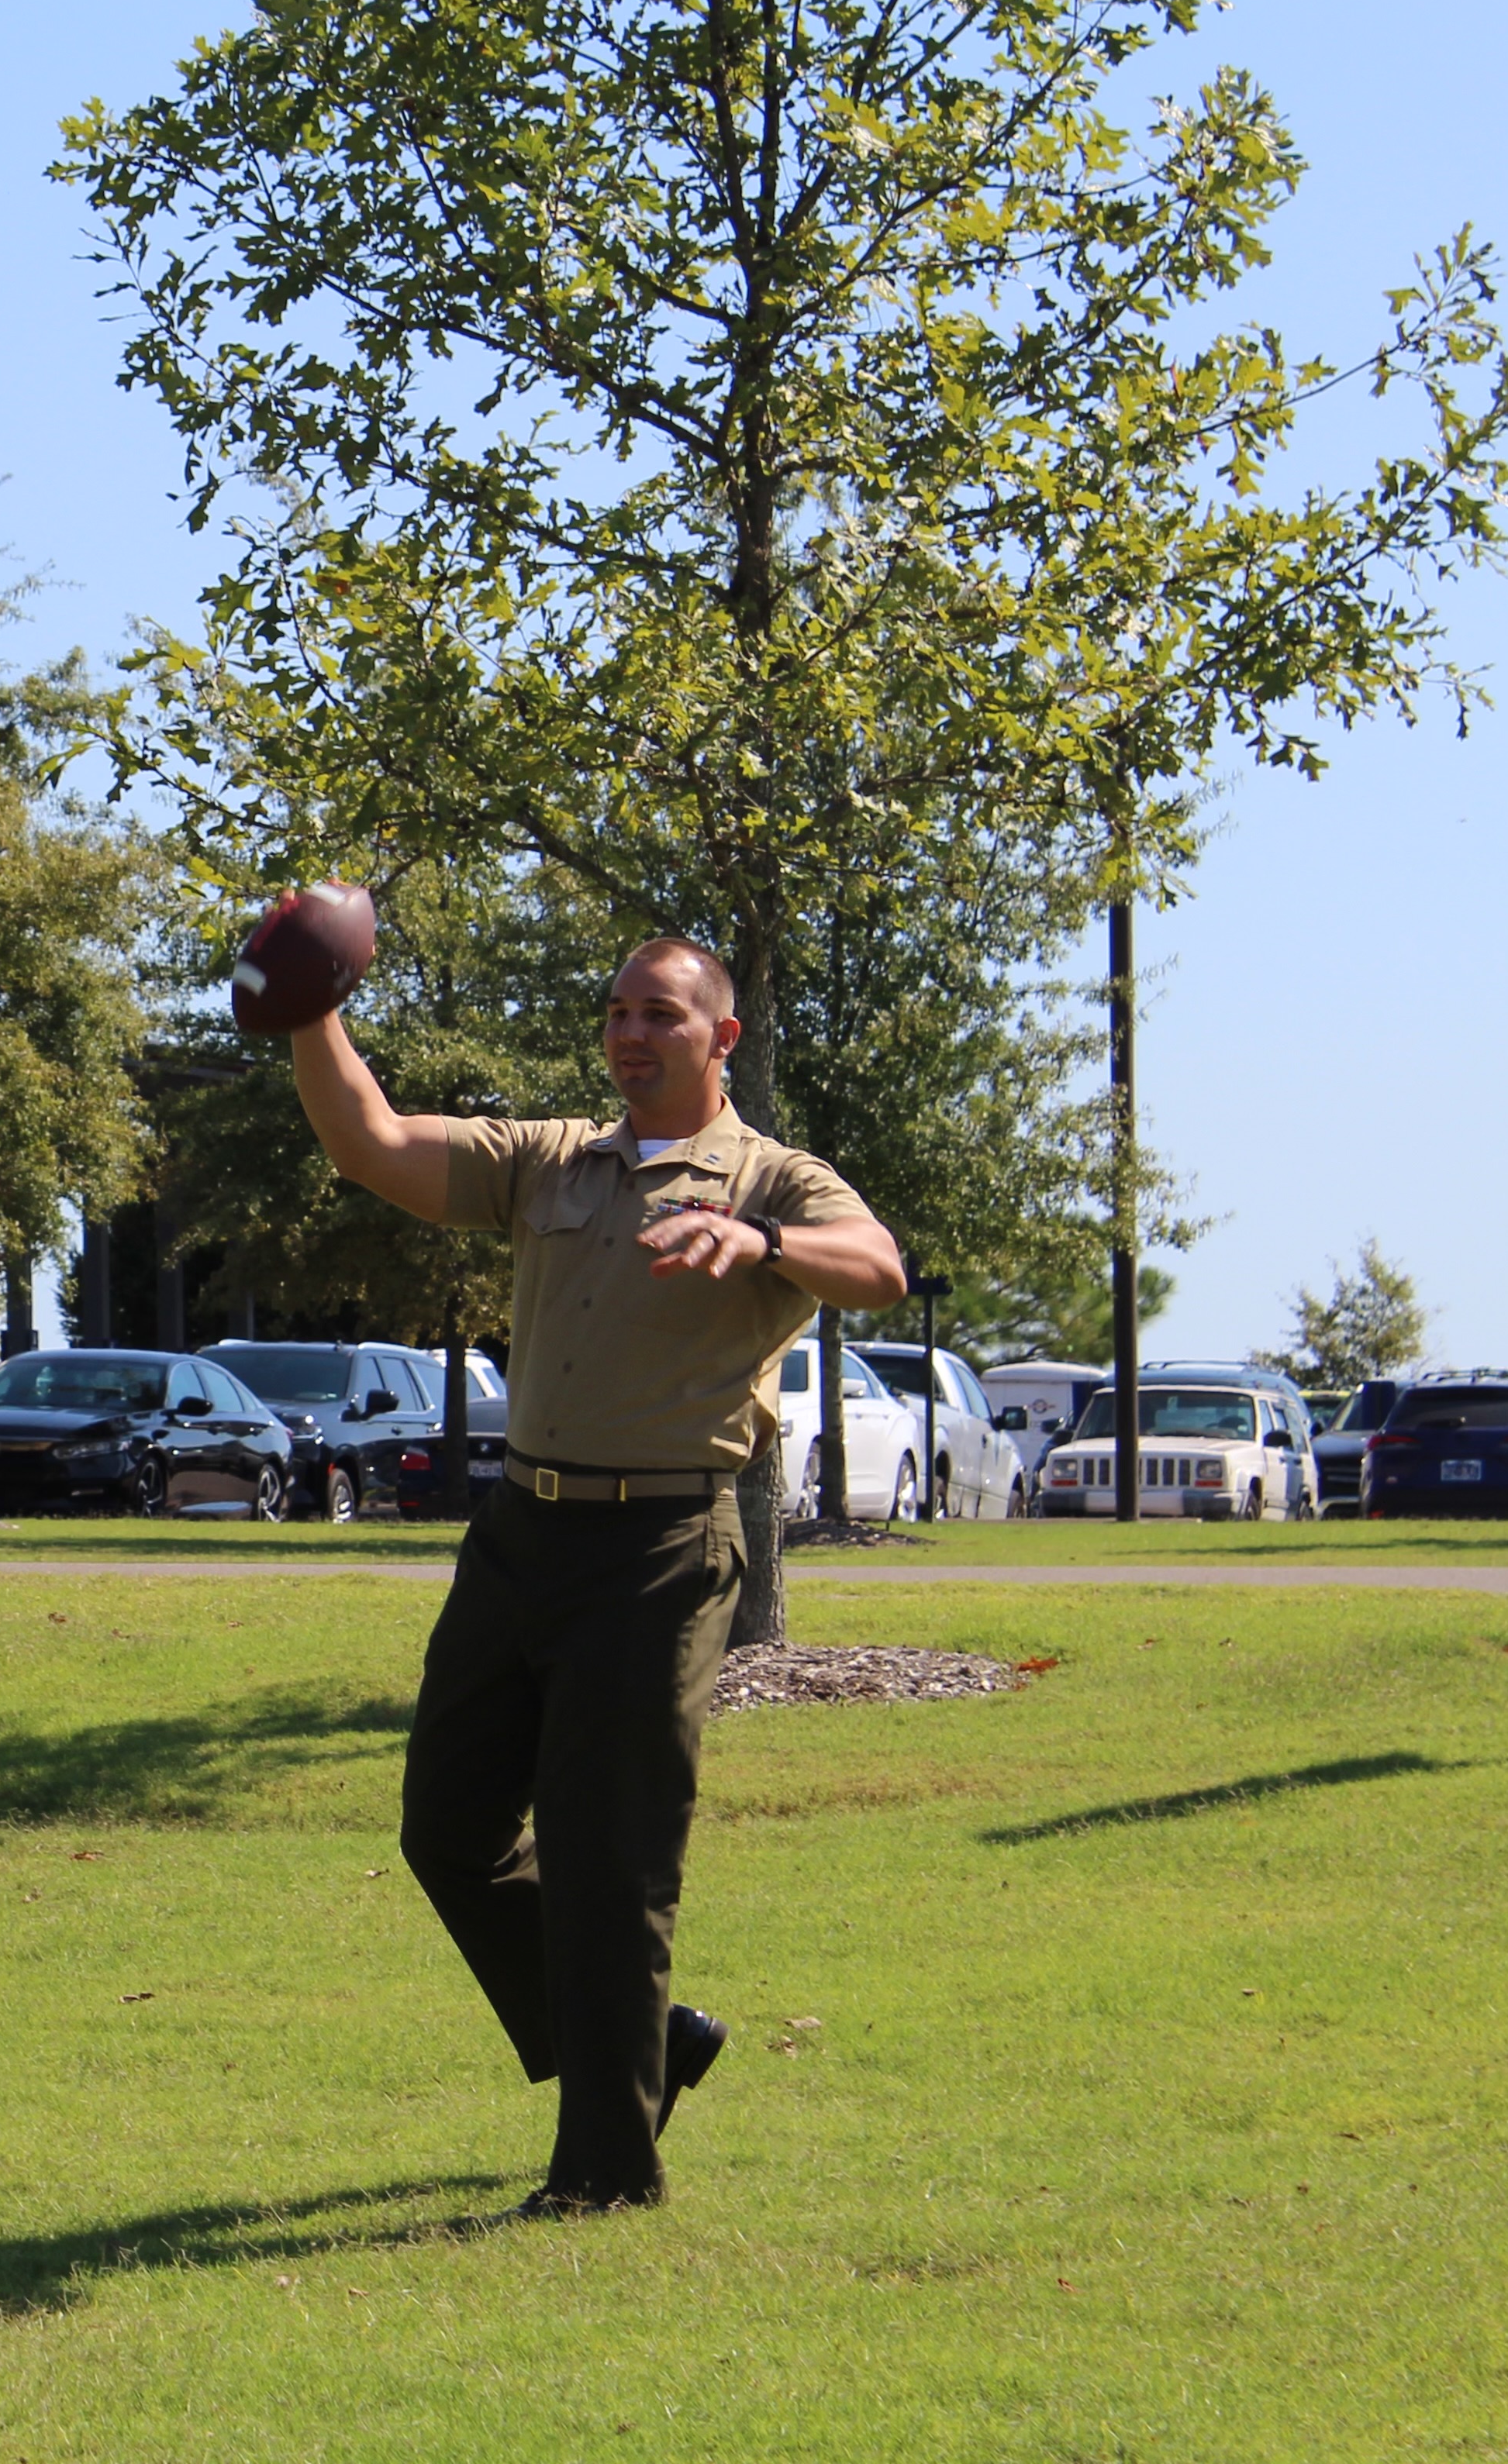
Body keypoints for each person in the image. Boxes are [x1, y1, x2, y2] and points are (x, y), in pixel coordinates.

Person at [288, 932, 904, 2213]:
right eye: (618, 1011)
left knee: (607, 1860)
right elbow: (372, 1143)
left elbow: (880, 1268)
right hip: (521, 1533)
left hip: (659, 1547)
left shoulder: (772, 1177)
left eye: (661, 1014)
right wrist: (312, 1012)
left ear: (721, 1037)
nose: (630, 1033)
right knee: (448, 1831)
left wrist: (760, 1244)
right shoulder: (551, 1158)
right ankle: (643, 2044)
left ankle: (608, 2175)